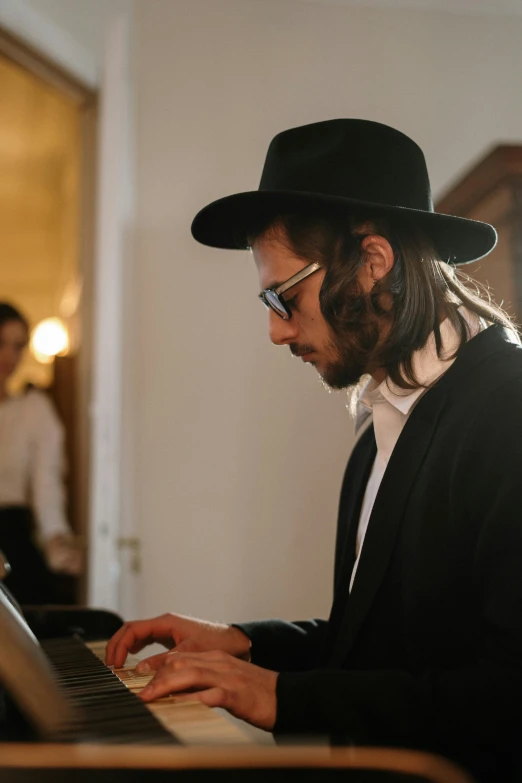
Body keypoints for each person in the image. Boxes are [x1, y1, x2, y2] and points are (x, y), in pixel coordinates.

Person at [105, 120, 522, 782]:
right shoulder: (382, 421)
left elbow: (506, 697)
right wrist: (244, 643)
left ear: (374, 261)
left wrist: (280, 695)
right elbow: (379, 650)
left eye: (284, 296)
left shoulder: (508, 410)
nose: (274, 330)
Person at [0, 302, 82, 603]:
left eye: (19, 346)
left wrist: (56, 538)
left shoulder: (33, 410)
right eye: (2, 343)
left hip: (11, 539)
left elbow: (46, 480)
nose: (10, 355)